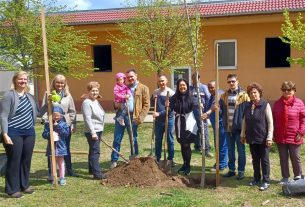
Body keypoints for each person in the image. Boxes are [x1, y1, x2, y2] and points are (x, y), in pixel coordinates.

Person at [0, 71, 39, 198]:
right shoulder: (9, 96)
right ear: (15, 80)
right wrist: (5, 134)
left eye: (25, 79)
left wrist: (49, 102)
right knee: (14, 160)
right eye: (20, 79)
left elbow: (38, 113)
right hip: (13, 131)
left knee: (26, 160)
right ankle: (12, 189)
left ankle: (24, 185)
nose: (23, 81)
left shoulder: (30, 97)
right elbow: (3, 116)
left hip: (29, 132)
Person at [111, 69, 150, 168]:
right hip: (121, 115)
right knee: (117, 138)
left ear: (136, 76)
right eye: (128, 77)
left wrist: (140, 118)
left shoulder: (143, 88)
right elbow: (116, 100)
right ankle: (114, 160)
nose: (130, 78)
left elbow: (146, 105)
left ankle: (135, 159)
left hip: (133, 116)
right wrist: (115, 104)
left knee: (133, 138)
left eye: (131, 76)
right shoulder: (124, 87)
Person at [41, 74, 77, 177]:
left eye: (62, 83)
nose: (60, 84)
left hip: (64, 125)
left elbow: (72, 111)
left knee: (65, 147)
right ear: (54, 83)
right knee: (52, 148)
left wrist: (73, 124)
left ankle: (68, 169)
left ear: (65, 84)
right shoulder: (48, 94)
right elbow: (44, 110)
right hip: (52, 124)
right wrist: (44, 122)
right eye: (58, 82)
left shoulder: (68, 95)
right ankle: (51, 172)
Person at [240, 82, 273, 191]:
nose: (253, 94)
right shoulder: (247, 106)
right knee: (255, 159)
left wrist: (269, 137)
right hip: (251, 137)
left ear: (259, 93)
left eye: (255, 92)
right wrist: (242, 134)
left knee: (264, 160)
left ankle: (266, 180)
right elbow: (244, 121)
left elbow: (270, 122)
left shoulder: (265, 105)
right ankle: (256, 178)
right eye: (251, 93)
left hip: (263, 137)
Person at [272, 81, 305, 184]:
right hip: (281, 136)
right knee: (283, 158)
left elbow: (304, 119)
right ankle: (285, 177)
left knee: (295, 157)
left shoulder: (299, 103)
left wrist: (301, 132)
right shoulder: (277, 104)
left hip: (295, 135)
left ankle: (298, 176)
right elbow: (273, 120)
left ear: (294, 91)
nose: (286, 92)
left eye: (289, 90)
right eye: (284, 90)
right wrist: (273, 133)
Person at [220, 74, 249, 180]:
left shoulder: (244, 96)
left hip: (239, 129)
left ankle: (241, 171)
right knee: (231, 150)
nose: (231, 83)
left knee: (241, 150)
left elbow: (247, 113)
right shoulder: (224, 96)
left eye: (233, 81)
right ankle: (232, 170)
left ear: (237, 81)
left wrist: (245, 129)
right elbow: (221, 110)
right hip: (228, 128)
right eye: (229, 82)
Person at [169, 78, 198, 175]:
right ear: (178, 87)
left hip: (188, 121)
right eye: (180, 85)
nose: (182, 87)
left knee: (186, 144)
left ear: (187, 86)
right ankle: (184, 164)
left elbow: (195, 105)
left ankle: (188, 166)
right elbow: (170, 108)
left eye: (184, 85)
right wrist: (167, 106)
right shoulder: (174, 97)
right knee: (182, 143)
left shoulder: (191, 96)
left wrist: (199, 105)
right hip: (179, 122)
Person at [82, 81, 107, 179]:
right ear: (89, 91)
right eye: (93, 91)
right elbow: (87, 118)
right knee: (95, 151)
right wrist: (93, 133)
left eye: (96, 90)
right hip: (92, 131)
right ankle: (97, 174)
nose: (95, 92)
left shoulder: (95, 101)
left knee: (92, 150)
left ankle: (91, 169)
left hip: (98, 129)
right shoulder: (87, 102)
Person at [202, 80, 228, 171]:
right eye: (209, 88)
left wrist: (207, 113)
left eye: (212, 87)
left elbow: (214, 106)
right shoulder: (211, 96)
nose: (210, 89)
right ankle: (222, 162)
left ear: (217, 86)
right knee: (219, 143)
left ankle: (221, 165)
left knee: (221, 144)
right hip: (215, 124)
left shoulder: (219, 93)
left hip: (220, 123)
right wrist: (207, 115)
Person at [42, 106, 70, 186]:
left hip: (61, 147)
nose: (56, 117)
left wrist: (59, 127)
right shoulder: (48, 124)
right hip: (52, 148)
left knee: (61, 163)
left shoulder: (64, 124)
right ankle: (52, 176)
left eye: (58, 115)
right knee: (52, 163)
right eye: (54, 115)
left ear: (61, 116)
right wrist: (49, 134)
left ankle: (62, 178)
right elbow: (44, 134)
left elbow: (66, 134)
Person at [151, 75, 175, 164]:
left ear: (167, 81)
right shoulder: (156, 92)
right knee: (158, 139)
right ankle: (157, 158)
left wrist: (159, 114)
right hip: (158, 121)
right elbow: (153, 103)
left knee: (169, 139)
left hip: (169, 119)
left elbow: (171, 109)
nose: (161, 83)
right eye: (159, 81)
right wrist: (153, 99)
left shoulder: (171, 93)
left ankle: (170, 158)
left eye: (163, 81)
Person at [189, 73, 212, 157]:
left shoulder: (203, 87)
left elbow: (209, 98)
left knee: (203, 128)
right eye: (192, 78)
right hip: (192, 112)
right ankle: (197, 146)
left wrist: (206, 110)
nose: (194, 80)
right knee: (196, 129)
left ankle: (207, 149)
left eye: (195, 78)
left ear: (199, 78)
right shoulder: (190, 88)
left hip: (201, 111)